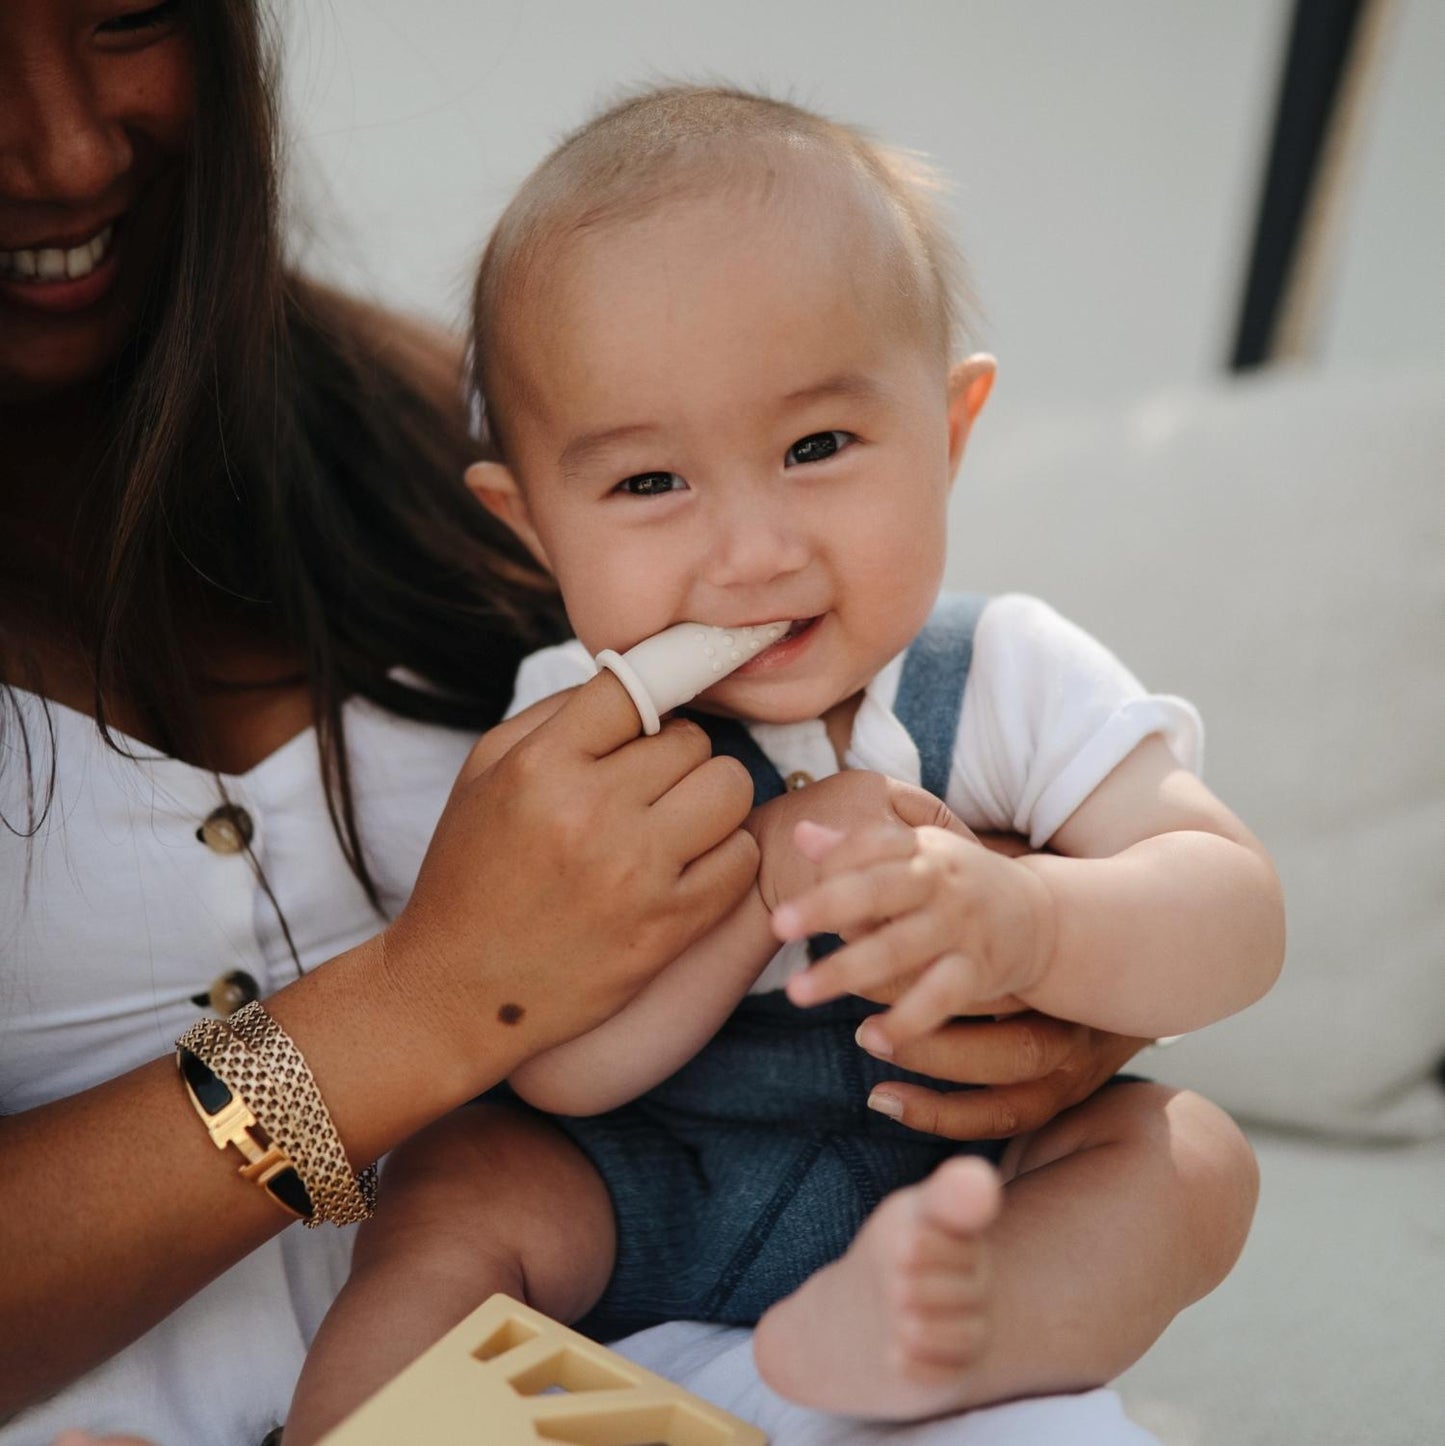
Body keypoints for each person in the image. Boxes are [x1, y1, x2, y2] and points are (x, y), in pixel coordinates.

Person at [0, 10, 1147, 1445]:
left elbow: (974, 770)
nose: (62, 147)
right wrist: (424, 1004)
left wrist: (1054, 966)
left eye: (126, 13)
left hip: (642, 1345)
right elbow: (503, 1019)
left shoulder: (469, 432)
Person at [284, 85, 1280, 1440]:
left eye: (816, 447)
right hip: (634, 1179)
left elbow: (1232, 917)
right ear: (531, 528)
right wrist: (761, 876)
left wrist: (1024, 918)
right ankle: (366, 1423)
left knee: (1189, 1161)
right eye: (649, 484)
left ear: (947, 432)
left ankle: (950, 1330)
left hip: (950, 1184)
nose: (752, 550)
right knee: (454, 1187)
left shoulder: (1002, 672)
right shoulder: (569, 729)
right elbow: (565, 1068)